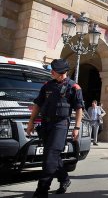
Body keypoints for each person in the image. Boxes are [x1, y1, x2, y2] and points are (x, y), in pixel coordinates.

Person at [26, 59, 84, 197]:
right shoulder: (47, 85)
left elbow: (79, 109)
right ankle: (65, 179)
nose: (51, 72)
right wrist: (31, 121)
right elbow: (37, 104)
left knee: (50, 157)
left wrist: (76, 127)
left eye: (54, 70)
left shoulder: (74, 87)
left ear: (62, 73)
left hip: (61, 125)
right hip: (46, 125)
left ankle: (42, 190)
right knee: (52, 156)